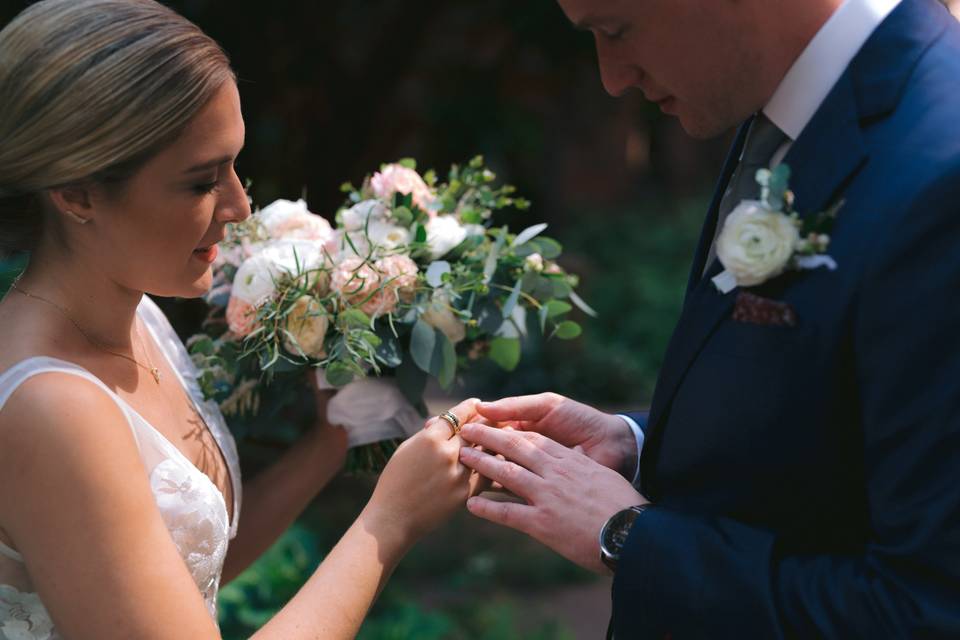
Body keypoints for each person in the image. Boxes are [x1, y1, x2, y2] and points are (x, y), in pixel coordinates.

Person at [457, 0, 960, 637]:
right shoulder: (790, 106)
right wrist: (639, 444)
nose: (611, 77)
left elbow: (928, 611)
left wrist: (630, 538)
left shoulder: (942, 173)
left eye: (615, 28)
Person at [0, 1, 483, 638]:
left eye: (234, 164)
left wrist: (329, 442)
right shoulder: (52, 408)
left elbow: (179, 570)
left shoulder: (138, 312)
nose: (240, 204)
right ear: (77, 194)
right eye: (202, 182)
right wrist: (387, 524)